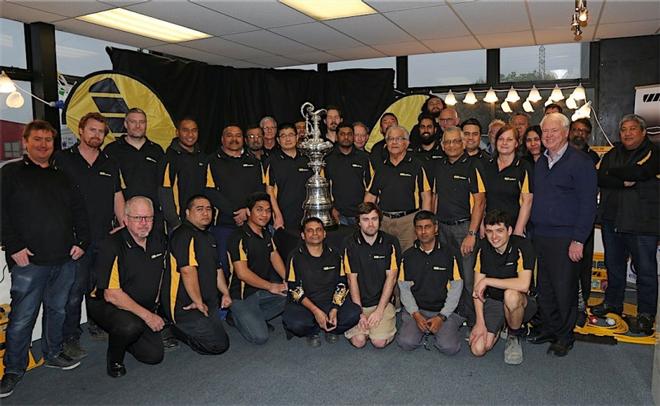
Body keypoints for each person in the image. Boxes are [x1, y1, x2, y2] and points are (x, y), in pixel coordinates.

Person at [1, 120, 89, 398]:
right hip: (29, 262)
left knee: (58, 310)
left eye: (48, 140)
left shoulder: (61, 175)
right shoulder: (10, 173)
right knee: (22, 318)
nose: (43, 144)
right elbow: (1, 213)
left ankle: (52, 353)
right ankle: (13, 370)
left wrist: (82, 242)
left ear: (54, 144)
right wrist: (13, 246)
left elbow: (79, 211)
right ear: (25, 141)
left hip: (64, 259)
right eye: (37, 139)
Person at [53, 112, 124, 358]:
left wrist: (124, 223)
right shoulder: (62, 159)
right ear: (80, 131)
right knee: (74, 291)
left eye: (101, 131)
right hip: (75, 240)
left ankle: (96, 324)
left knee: (99, 287)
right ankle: (70, 337)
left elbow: (117, 195)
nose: (96, 135)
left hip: (104, 237)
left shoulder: (109, 162)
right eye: (92, 130)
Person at [529, 113, 597, 356]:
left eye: (553, 131)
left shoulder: (580, 162)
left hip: (566, 238)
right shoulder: (540, 162)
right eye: (545, 131)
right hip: (541, 235)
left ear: (566, 133)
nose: (547, 135)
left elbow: (589, 205)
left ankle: (565, 336)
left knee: (564, 288)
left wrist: (579, 239)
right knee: (544, 287)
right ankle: (550, 328)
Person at [592, 114, 658, 335]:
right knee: (614, 266)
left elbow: (640, 172)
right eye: (624, 130)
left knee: (646, 271)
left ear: (643, 132)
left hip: (642, 222)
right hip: (613, 220)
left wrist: (616, 173)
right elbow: (600, 176)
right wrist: (624, 180)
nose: (627, 133)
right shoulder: (614, 152)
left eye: (632, 129)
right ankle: (612, 303)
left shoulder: (654, 151)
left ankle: (646, 314)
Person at [86, 196, 166, 378]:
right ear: (126, 220)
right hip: (107, 304)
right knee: (129, 326)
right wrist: (148, 317)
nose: (144, 223)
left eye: (149, 218)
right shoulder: (111, 245)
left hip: (138, 304)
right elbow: (112, 295)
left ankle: (125, 337)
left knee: (154, 356)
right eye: (138, 218)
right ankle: (114, 359)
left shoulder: (159, 240)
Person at [430, 127, 486, 324]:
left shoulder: (473, 166)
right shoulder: (439, 166)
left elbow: (480, 201)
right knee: (448, 273)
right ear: (443, 146)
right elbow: (435, 196)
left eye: (455, 141)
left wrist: (472, 233)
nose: (451, 145)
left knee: (468, 277)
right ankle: (452, 314)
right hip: (442, 228)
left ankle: (473, 320)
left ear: (463, 144)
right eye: (447, 142)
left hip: (464, 228)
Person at [164, 195, 231, 354]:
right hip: (186, 305)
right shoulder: (183, 235)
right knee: (218, 345)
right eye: (199, 209)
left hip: (207, 301)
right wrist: (198, 301)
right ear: (187, 212)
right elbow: (187, 271)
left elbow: (217, 268)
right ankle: (174, 330)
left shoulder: (209, 236)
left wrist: (225, 293)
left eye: (208, 209)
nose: (205, 213)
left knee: (219, 335)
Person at [469, 209, 537, 365]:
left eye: (499, 231)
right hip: (494, 301)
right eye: (489, 231)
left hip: (522, 302)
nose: (494, 237)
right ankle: (500, 327)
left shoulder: (523, 246)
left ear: (510, 231)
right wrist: (480, 322)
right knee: (478, 349)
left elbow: (523, 285)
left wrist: (488, 281)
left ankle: (514, 335)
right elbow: (477, 291)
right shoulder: (483, 248)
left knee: (511, 295)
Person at [282, 218, 361, 346]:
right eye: (310, 230)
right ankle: (313, 331)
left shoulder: (335, 253)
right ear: (303, 235)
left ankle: (331, 327)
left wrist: (334, 309)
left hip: (330, 301)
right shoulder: (295, 256)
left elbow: (342, 284)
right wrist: (315, 311)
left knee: (354, 313)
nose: (315, 233)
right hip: (306, 303)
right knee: (294, 323)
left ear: (324, 234)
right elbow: (294, 289)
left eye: (318, 230)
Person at [396, 211, 464, 355]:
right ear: (415, 230)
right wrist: (416, 314)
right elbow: (404, 289)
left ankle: (445, 328)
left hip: (444, 311)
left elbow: (457, 288)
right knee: (406, 343)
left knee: (449, 348)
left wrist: (442, 316)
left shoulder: (450, 254)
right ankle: (423, 329)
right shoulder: (407, 256)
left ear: (436, 228)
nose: (423, 231)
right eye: (419, 227)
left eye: (427, 227)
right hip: (417, 310)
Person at [226, 192, 287, 344]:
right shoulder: (238, 237)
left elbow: (274, 256)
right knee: (260, 337)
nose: (264, 214)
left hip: (260, 291)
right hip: (242, 295)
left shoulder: (265, 233)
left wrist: (288, 280)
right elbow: (242, 273)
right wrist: (271, 286)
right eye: (259, 209)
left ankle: (250, 316)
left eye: (268, 210)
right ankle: (236, 315)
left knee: (293, 295)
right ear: (248, 211)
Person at [206, 124, 266, 273]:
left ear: (243, 139)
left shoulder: (254, 162)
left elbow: (260, 191)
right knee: (225, 266)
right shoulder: (212, 161)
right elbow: (210, 191)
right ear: (222, 139)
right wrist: (234, 212)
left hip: (250, 223)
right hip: (223, 224)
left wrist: (247, 211)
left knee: (253, 265)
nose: (234, 139)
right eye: (229, 135)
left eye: (238, 135)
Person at [365, 125, 433, 252]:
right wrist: (366, 219)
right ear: (386, 143)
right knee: (385, 259)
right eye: (390, 139)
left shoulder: (417, 165)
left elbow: (426, 197)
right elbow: (370, 196)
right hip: (383, 222)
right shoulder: (380, 168)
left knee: (409, 260)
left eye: (398, 139)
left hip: (408, 223)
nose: (394, 142)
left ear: (406, 143)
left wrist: (425, 222)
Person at [343, 203, 400, 348]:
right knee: (359, 341)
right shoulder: (350, 243)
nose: (370, 224)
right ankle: (368, 328)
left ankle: (377, 328)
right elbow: (351, 280)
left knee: (378, 342)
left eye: (374, 219)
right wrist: (359, 313)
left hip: (382, 302)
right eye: (365, 219)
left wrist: (380, 310)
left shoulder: (391, 242)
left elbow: (391, 278)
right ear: (358, 222)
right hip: (358, 302)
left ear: (380, 221)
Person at [104, 108, 165, 231]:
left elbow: (163, 184)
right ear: (126, 124)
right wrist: (120, 217)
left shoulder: (157, 150)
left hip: (153, 217)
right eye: (133, 122)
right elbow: (108, 186)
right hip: (125, 217)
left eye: (142, 122)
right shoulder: (112, 150)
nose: (138, 126)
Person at [568, 117, 600, 325]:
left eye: (584, 131)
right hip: (561, 222)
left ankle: (581, 305)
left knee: (583, 267)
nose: (580, 134)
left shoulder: (593, 157)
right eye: (576, 130)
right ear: (570, 131)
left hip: (583, 222)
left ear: (588, 135)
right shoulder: (556, 154)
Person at [481, 125, 533, 236]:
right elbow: (481, 200)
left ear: (516, 143)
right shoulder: (487, 165)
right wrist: (481, 227)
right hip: (490, 230)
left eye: (509, 139)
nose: (504, 143)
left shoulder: (523, 166)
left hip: (513, 229)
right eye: (501, 139)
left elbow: (527, 202)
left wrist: (518, 231)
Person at [159, 117, 207, 232]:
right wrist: (175, 221)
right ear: (177, 132)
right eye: (185, 130)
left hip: (203, 223)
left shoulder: (203, 157)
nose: (190, 134)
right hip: (179, 224)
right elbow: (164, 191)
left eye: (194, 130)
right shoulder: (169, 158)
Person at [266, 123, 311, 232]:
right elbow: (269, 191)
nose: (287, 139)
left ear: (296, 137)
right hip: (282, 219)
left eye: (291, 135)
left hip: (307, 217)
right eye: (283, 136)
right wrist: (278, 216)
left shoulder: (307, 159)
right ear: (278, 140)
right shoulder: (272, 161)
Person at [325, 123, 372, 226]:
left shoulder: (364, 158)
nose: (346, 137)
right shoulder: (328, 159)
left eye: (349, 134)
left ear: (353, 136)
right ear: (337, 137)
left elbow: (370, 186)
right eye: (342, 134)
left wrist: (365, 210)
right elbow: (325, 187)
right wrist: (331, 209)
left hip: (360, 214)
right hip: (337, 214)